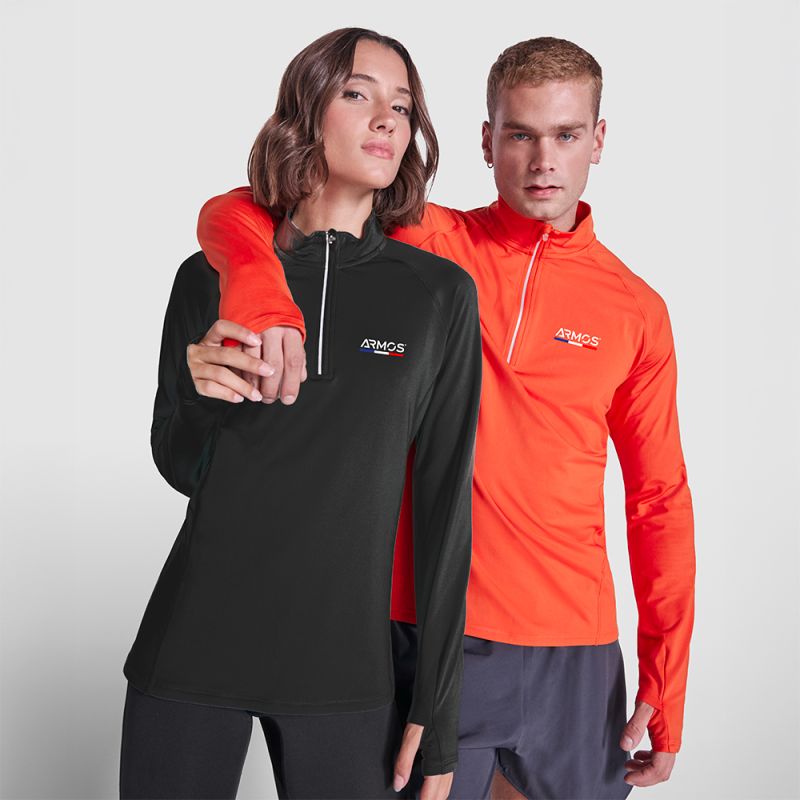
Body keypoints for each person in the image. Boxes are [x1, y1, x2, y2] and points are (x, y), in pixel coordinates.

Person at [195, 36, 696, 800]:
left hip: (576, 652)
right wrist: (263, 300)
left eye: (566, 135)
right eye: (521, 135)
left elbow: (658, 500)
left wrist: (666, 678)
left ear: (598, 140)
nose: (543, 161)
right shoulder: (424, 242)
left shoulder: (637, 309)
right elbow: (240, 210)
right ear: (487, 140)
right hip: (427, 631)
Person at [120, 28, 482, 800]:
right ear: (304, 112)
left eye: (402, 106)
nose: (386, 119)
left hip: (346, 674)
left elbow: (445, 512)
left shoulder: (437, 295)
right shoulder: (209, 275)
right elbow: (181, 464)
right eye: (357, 93)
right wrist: (202, 396)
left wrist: (439, 706)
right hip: (191, 650)